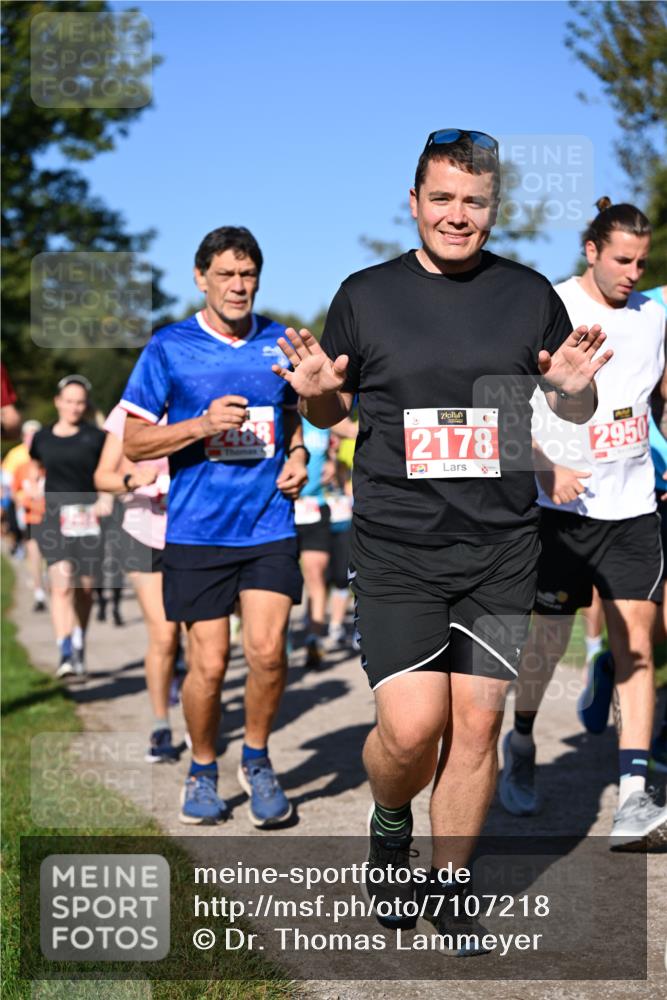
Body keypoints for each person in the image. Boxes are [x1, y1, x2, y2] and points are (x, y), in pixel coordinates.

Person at [271, 128, 611, 946]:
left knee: (478, 724)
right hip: (397, 550)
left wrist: (569, 393)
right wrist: (316, 397)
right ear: (415, 201)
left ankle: (452, 880)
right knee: (411, 730)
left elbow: (571, 405)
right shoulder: (364, 294)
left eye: (474, 202)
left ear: (493, 210)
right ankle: (391, 824)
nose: (457, 216)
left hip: (500, 548)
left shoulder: (530, 295)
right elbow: (328, 409)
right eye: (442, 199)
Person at [121, 226, 308, 827]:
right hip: (198, 531)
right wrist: (201, 426)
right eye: (225, 275)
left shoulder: (281, 342)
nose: (237, 286)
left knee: (269, 653)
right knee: (208, 665)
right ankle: (203, 767)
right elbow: (134, 441)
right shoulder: (169, 346)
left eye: (247, 274)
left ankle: (256, 758)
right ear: (200, 278)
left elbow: (298, 421)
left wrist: (300, 456)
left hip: (267, 524)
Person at [499, 202, 667, 849]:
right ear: (590, 251)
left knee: (638, 648)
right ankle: (520, 740)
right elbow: (507, 399)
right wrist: (543, 469)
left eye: (640, 262)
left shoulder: (653, 316)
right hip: (558, 513)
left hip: (629, 510)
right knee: (545, 645)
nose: (631, 273)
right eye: (620, 260)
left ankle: (631, 798)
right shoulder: (551, 305)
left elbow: (658, 397)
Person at [95, 404, 182, 763]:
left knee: (200, 637)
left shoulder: (200, 393)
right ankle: (161, 726)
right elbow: (102, 476)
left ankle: (199, 718)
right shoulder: (128, 411)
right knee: (164, 635)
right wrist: (133, 480)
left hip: (195, 530)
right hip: (142, 533)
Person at [29, 375, 106, 679]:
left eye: (80, 403)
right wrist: (35, 484)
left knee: (85, 589)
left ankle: (78, 641)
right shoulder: (42, 438)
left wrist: (106, 498)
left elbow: (108, 472)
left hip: (89, 517)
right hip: (55, 517)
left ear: (85, 405)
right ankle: (64, 650)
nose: (74, 407)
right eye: (69, 401)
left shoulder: (96, 438)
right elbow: (37, 465)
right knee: (61, 584)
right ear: (57, 402)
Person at [7, 420, 47, 610]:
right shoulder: (19, 464)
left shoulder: (50, 461)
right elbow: (13, 491)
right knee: (34, 554)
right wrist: (23, 500)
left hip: (52, 517)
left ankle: (53, 588)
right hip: (31, 517)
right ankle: (39, 593)